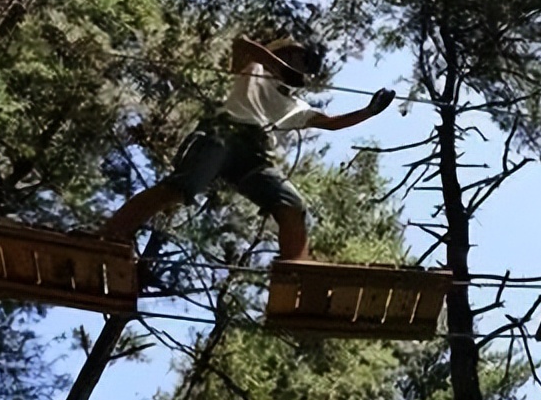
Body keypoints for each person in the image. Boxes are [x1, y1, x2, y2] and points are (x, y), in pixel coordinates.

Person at [101, 34, 395, 260]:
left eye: (306, 65)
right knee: (181, 188)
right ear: (283, 52)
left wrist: (369, 111)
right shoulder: (252, 69)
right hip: (222, 134)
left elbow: (331, 123)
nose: (302, 67)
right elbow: (242, 44)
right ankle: (111, 235)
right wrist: (279, 67)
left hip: (254, 156)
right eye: (299, 59)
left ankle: (297, 270)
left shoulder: (295, 105)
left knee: (292, 205)